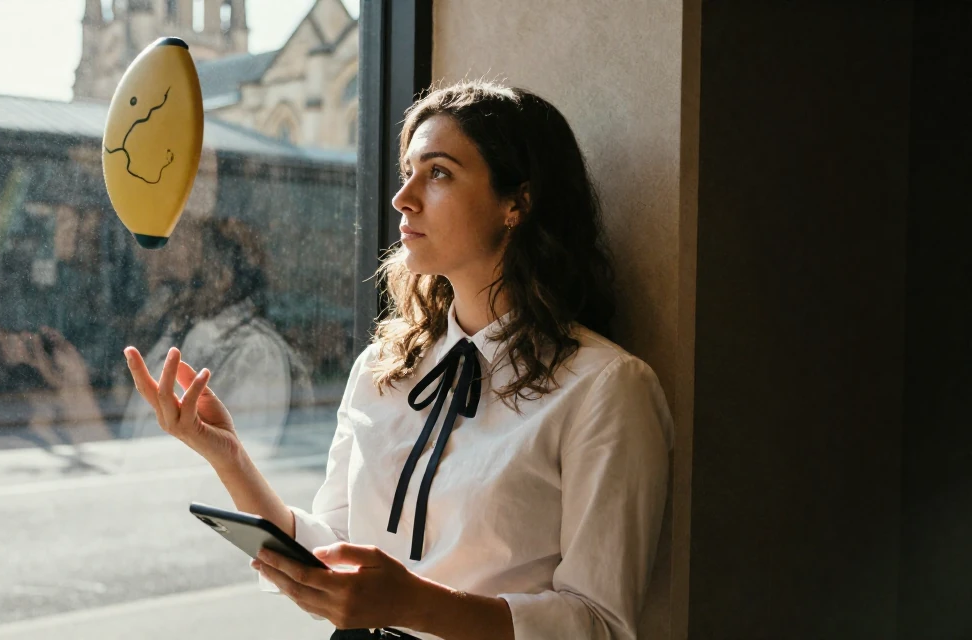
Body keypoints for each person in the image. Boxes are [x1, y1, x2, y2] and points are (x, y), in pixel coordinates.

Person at [124, 80, 672, 640]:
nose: (402, 197)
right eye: (408, 169)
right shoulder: (383, 368)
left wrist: (414, 605)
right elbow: (333, 557)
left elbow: (600, 624)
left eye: (438, 172)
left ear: (518, 202)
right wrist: (228, 456)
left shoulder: (605, 388)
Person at [120, 216, 314, 469]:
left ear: (223, 275)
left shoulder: (255, 353)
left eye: (183, 252)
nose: (157, 266)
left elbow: (241, 469)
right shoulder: (179, 334)